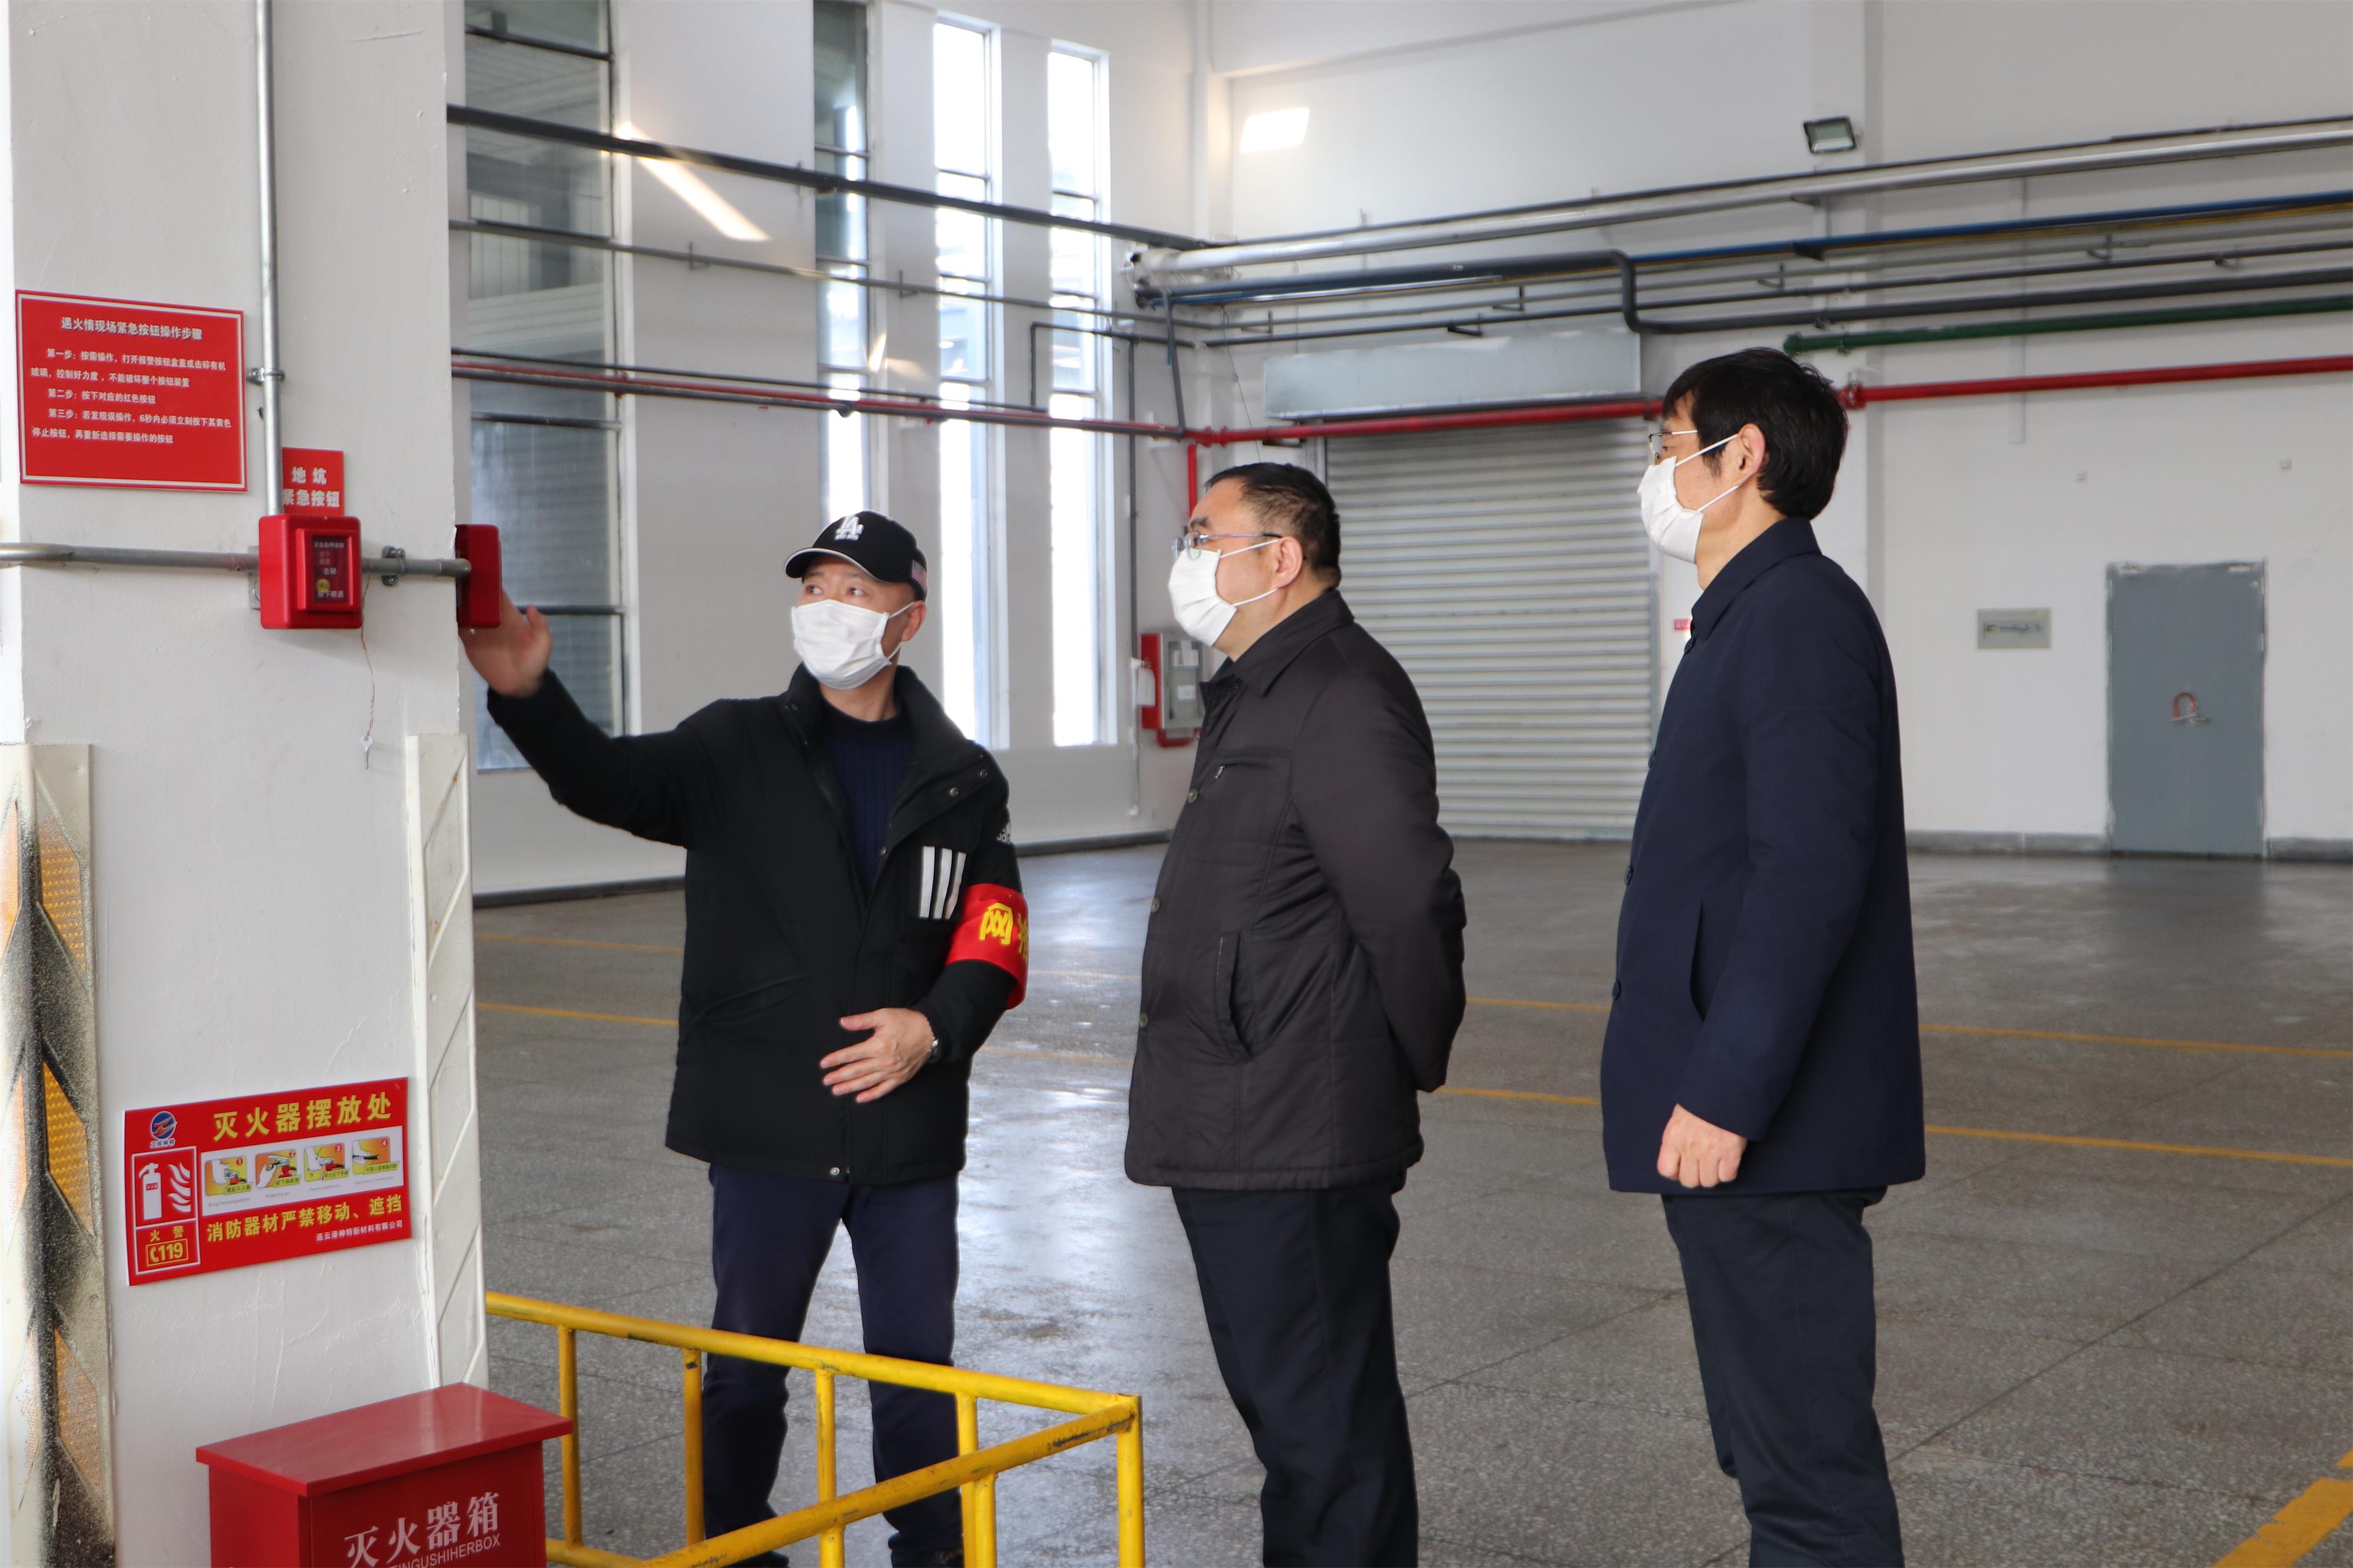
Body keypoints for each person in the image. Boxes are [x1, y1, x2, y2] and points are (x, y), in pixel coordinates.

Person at [463, 511, 1029, 1568]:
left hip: (906, 1119)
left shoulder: (964, 775)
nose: (826, 608)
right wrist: (530, 696)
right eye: (814, 587)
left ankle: (932, 1550)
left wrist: (934, 1026)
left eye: (854, 591)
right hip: (771, 1118)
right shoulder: (734, 745)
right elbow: (605, 780)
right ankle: (735, 1545)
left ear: (907, 616)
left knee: (919, 1366)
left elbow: (993, 930)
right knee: (746, 1362)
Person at [1603, 348, 1922, 1566]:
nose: (1653, 474)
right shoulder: (1747, 615)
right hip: (1744, 1129)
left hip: (1769, 1132)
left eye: (1665, 445)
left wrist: (1727, 1089)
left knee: (1806, 1482)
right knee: (1769, 1450)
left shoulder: (1795, 616)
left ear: (1739, 458)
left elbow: (1806, 872)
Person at [1128, 462, 1466, 1567]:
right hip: (1240, 1114)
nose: (1187, 558)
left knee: (1327, 1432)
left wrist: (1392, 1062)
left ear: (1281, 558)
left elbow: (1408, 902)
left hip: (1292, 1125)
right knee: (1293, 1423)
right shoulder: (1262, 685)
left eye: (1204, 535)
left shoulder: (1340, 691)